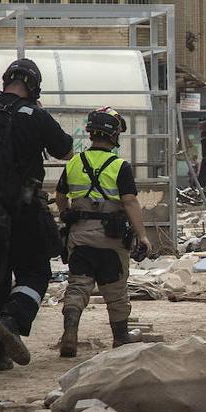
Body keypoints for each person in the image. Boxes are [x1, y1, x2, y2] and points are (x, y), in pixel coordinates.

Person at [0, 58, 73, 371]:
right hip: (23, 210)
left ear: (5, 81)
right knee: (35, 271)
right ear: (34, 87)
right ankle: (13, 319)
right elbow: (65, 150)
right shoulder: (33, 115)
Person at [56, 107, 152, 356]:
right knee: (116, 289)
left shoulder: (74, 162)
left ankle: (70, 331)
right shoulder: (120, 166)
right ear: (114, 134)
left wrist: (67, 215)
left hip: (79, 236)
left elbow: (60, 195)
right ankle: (120, 337)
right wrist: (142, 236)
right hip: (111, 238)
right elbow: (130, 202)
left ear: (91, 133)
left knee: (78, 285)